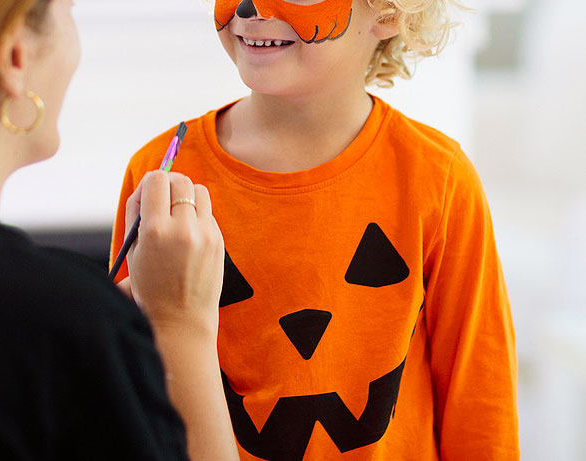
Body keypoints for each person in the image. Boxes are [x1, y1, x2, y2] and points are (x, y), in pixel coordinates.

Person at [110, 0, 520, 459]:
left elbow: (480, 397)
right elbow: (131, 390)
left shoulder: (438, 178)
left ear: (388, 13)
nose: (251, 8)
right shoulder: (163, 178)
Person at [0, 1, 238, 459]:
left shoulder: (66, 323)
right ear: (15, 57)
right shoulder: (61, 332)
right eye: (68, 11)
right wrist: (179, 325)